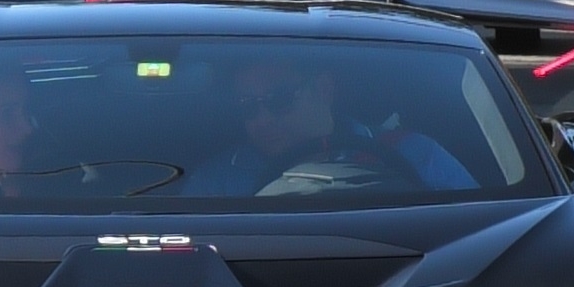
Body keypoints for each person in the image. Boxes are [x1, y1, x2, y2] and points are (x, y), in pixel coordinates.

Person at [181, 60, 475, 196]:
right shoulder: (216, 184)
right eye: (248, 106)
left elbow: (479, 233)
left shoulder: (415, 152)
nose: (263, 119)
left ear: (324, 89)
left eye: (279, 100)